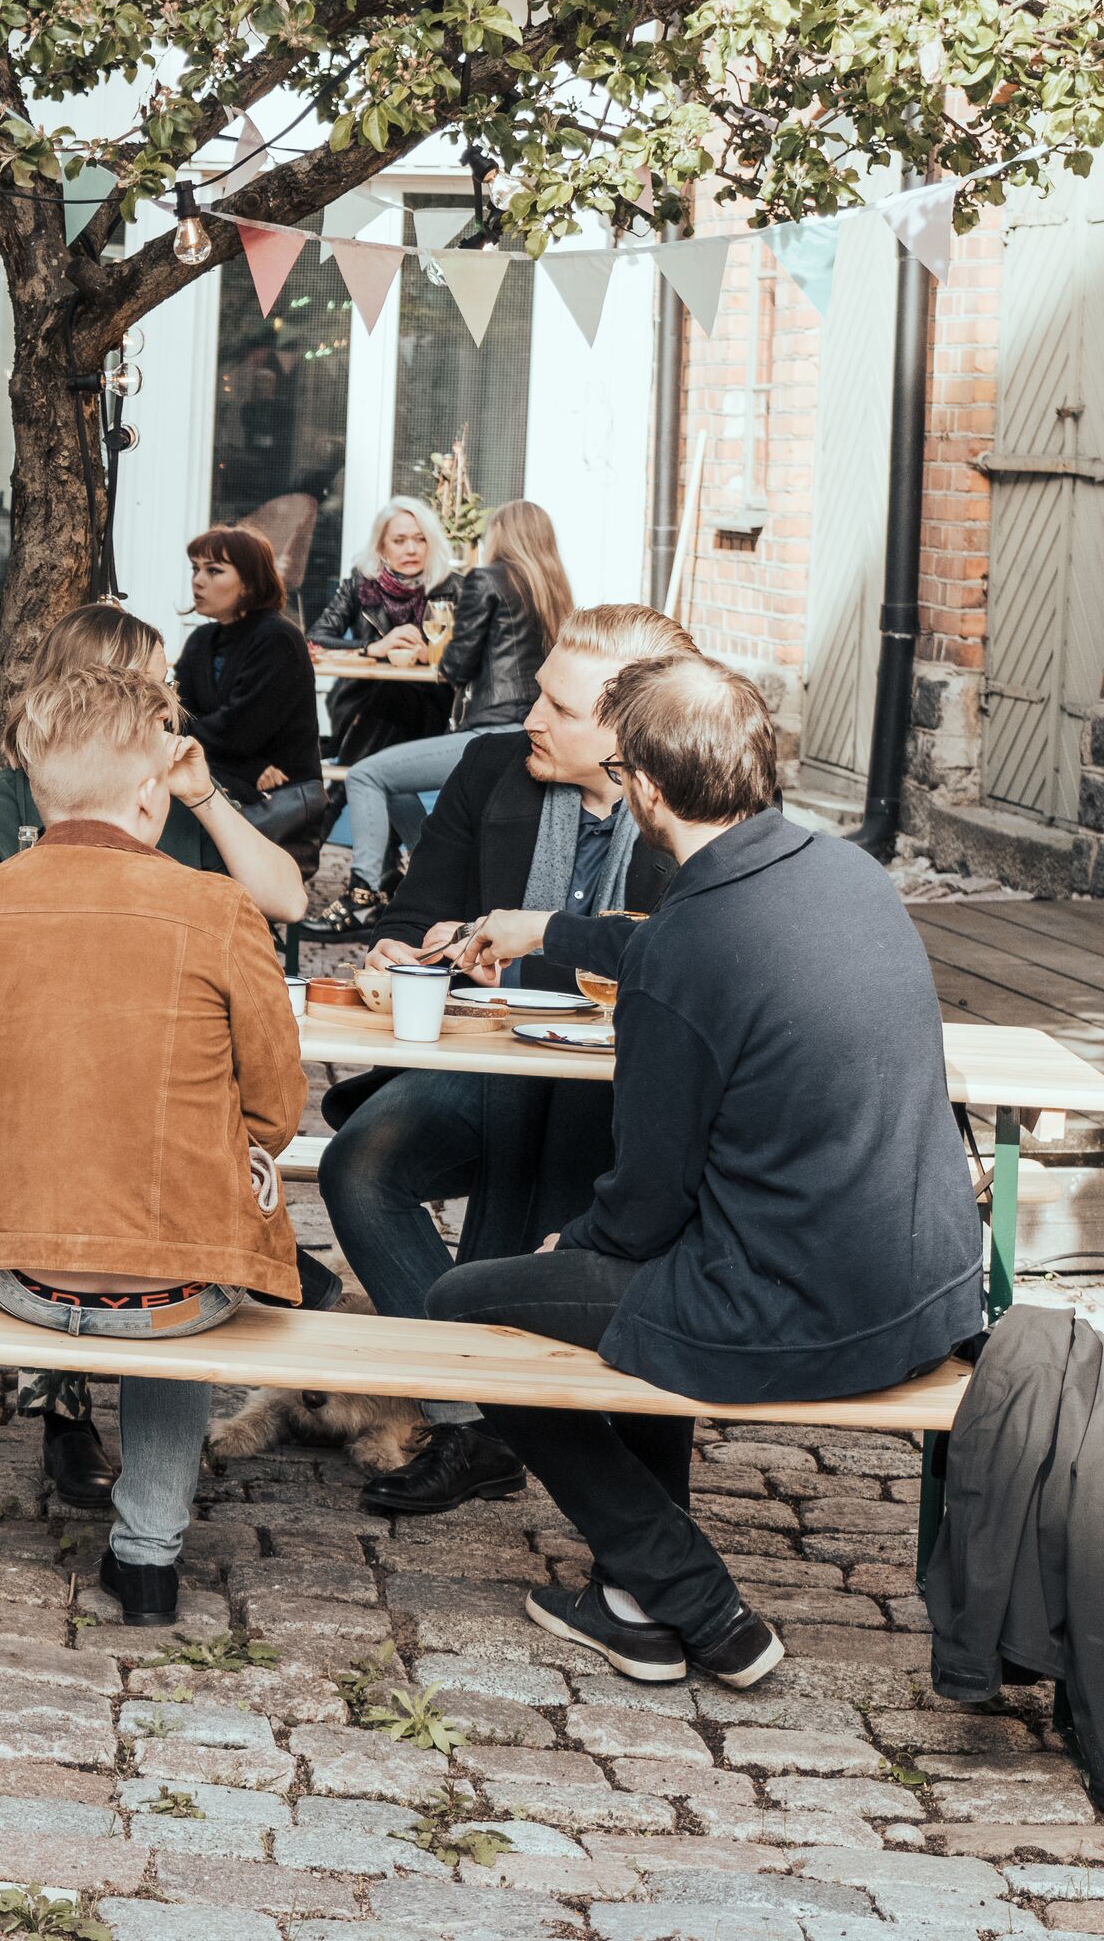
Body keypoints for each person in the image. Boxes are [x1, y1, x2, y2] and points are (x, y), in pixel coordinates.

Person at [430, 652, 985, 1689]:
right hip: (928, 1290)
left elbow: (643, 1204)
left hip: (802, 1313)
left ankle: (692, 1599)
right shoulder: (844, 873)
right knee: (630, 1292)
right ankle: (636, 1597)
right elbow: (677, 946)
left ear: (640, 785)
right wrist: (550, 928)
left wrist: (570, 1243)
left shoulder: (691, 950)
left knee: (464, 1307)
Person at [0, 665, 307, 1627]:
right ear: (150, 790)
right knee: (172, 1273)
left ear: (36, 787)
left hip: (8, 1261)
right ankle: (148, 1559)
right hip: (175, 1289)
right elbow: (281, 1108)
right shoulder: (220, 911)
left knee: (145, 1244)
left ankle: (112, 1494)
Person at [312, 602, 689, 1517]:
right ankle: (477, 1411)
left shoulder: (695, 799)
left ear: (628, 730)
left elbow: (692, 951)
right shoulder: (493, 770)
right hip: (484, 1059)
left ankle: (510, 1423)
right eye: (537, 694)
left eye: (559, 707)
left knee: (541, 1123)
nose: (529, 716)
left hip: (622, 1095)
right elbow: (410, 919)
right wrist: (403, 951)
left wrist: (544, 939)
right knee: (359, 1167)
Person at [0, 604, 309, 926]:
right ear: (87, 693)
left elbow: (288, 903)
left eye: (168, 685)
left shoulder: (179, 794)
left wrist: (204, 797)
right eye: (149, 690)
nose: (168, 709)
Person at [331, 500, 572, 909]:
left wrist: (430, 652)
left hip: (491, 731)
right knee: (392, 787)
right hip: (531, 730)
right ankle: (436, 870)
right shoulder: (552, 588)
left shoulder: (487, 579)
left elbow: (456, 665)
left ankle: (363, 896)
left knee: (365, 776)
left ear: (500, 535)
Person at [172, 527, 321, 850]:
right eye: (195, 569)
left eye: (214, 570)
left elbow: (239, 731)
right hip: (237, 781)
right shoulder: (202, 641)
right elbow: (175, 717)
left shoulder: (277, 638)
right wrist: (251, 767)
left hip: (277, 798)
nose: (198, 580)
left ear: (250, 581)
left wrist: (196, 738)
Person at [304, 497, 457, 770]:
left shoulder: (454, 587)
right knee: (391, 694)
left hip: (432, 705)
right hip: (363, 701)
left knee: (397, 693)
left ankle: (334, 800)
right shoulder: (360, 585)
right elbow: (315, 640)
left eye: (420, 539)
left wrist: (432, 654)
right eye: (399, 541)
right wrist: (373, 647)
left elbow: (472, 653)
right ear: (382, 547)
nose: (411, 549)